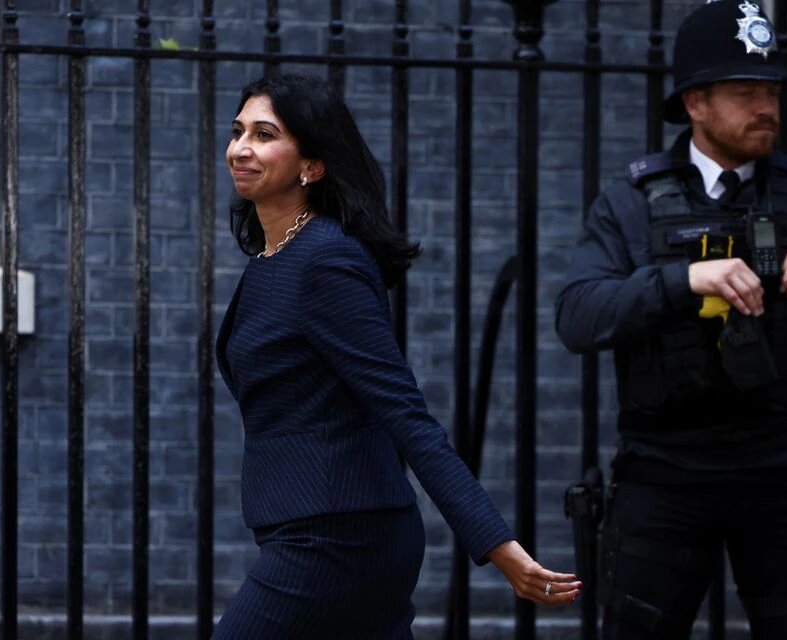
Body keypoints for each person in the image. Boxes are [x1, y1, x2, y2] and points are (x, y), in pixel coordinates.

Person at [554, 1, 787, 638]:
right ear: (695, 103)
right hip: (665, 479)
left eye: (772, 91)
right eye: (745, 93)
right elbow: (578, 317)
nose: (766, 108)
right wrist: (682, 280)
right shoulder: (631, 206)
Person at [212, 74, 580, 639]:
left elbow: (403, 411)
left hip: (339, 534)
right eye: (238, 132)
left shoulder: (325, 261)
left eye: (264, 135)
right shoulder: (274, 256)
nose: (241, 148)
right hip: (312, 525)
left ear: (312, 164)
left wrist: (497, 546)